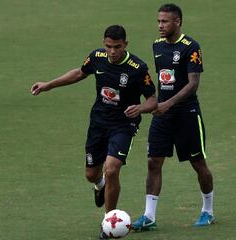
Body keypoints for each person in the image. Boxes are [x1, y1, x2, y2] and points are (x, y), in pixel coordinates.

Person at [30, 25, 157, 239]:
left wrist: (140, 108)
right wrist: (49, 85)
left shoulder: (137, 68)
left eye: (117, 47)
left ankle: (108, 222)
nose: (112, 51)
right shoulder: (96, 57)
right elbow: (80, 73)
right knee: (91, 174)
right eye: (108, 46)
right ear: (103, 44)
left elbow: (153, 99)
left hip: (124, 125)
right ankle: (100, 185)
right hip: (98, 123)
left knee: (112, 168)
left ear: (125, 44)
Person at [132, 4, 215, 231]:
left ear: (177, 22)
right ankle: (149, 216)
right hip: (162, 115)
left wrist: (168, 103)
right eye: (158, 21)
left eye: (165, 22)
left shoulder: (191, 47)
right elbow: (163, 80)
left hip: (186, 114)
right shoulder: (157, 45)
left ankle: (207, 211)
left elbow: (193, 83)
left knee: (198, 163)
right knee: (153, 162)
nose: (160, 25)